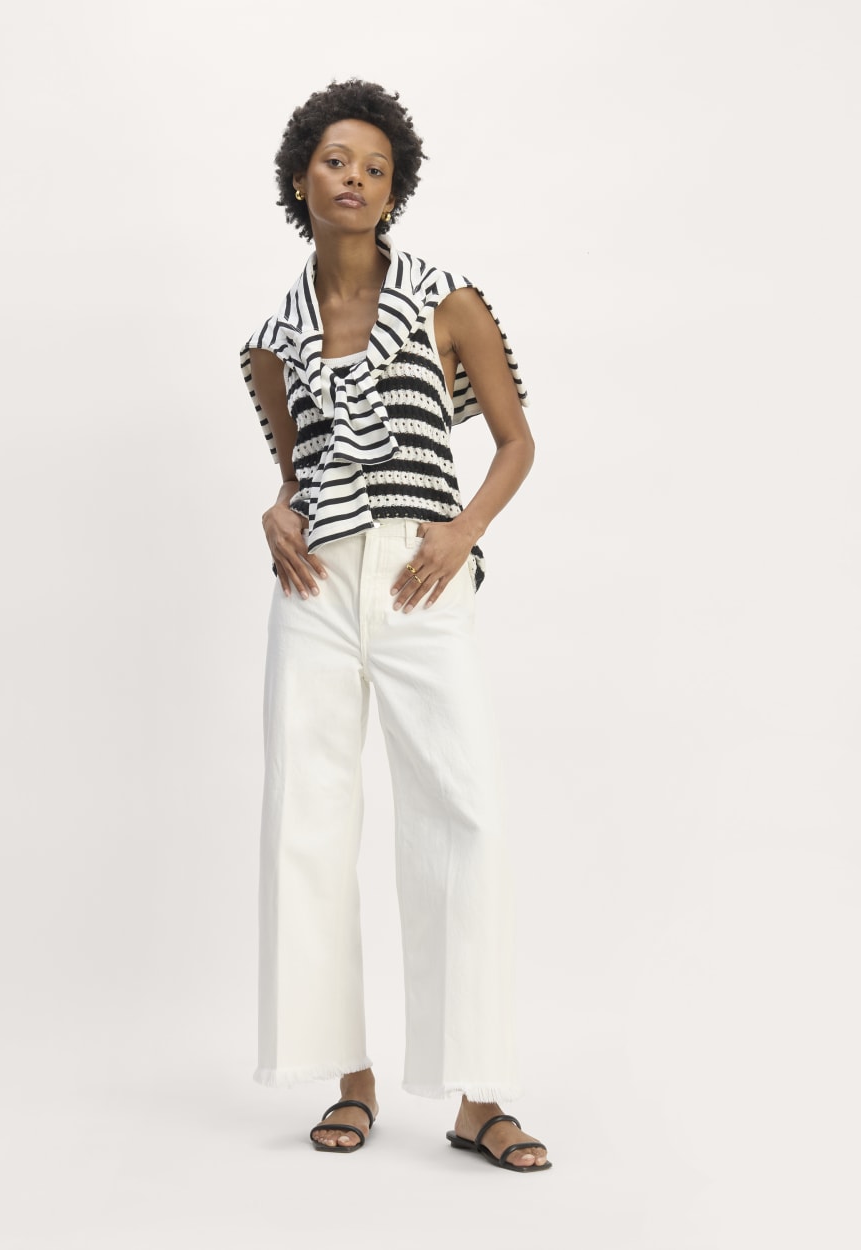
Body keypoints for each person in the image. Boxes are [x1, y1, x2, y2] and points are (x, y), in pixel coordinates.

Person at [239, 79, 551, 1173]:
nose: (355, 179)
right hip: (315, 589)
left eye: (375, 167)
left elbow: (514, 440)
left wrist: (461, 533)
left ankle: (478, 1096)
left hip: (422, 577)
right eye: (336, 161)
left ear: (394, 187)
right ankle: (349, 1077)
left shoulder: (444, 300)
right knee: (308, 818)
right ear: (301, 179)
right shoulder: (271, 341)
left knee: (465, 812)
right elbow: (300, 473)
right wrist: (277, 507)